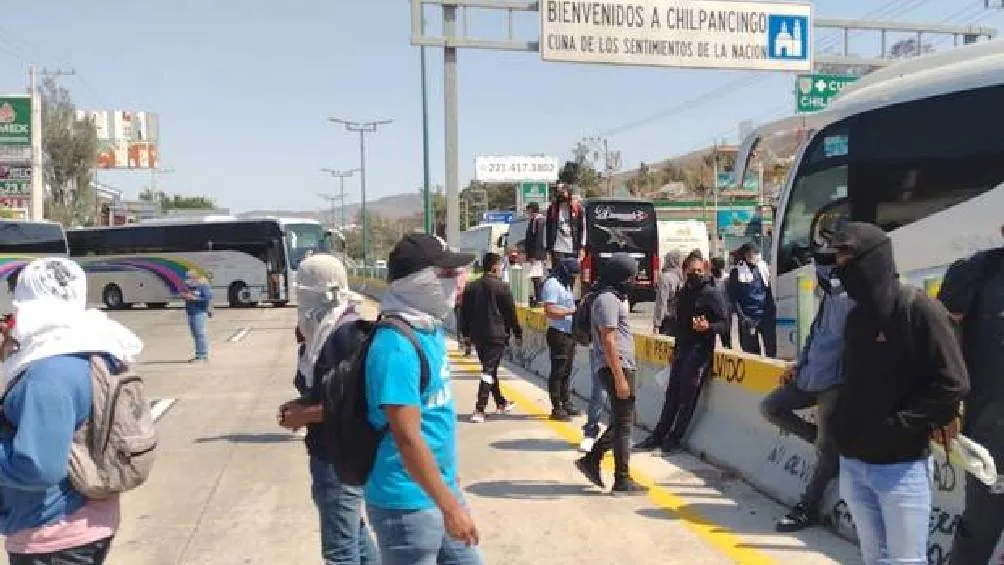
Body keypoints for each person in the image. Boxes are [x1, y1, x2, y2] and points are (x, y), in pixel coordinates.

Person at [830, 222, 969, 565]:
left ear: (873, 259)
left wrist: (900, 425)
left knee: (906, 561)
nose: (841, 269)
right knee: (874, 557)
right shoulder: (856, 317)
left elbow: (953, 384)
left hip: (901, 469)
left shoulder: (920, 310)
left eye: (847, 259)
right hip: (854, 464)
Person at [0, 257, 143, 565]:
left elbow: (38, 467)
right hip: (90, 517)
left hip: (52, 532)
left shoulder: (47, 373)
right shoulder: (92, 346)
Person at [363, 233, 483, 564]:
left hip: (439, 490)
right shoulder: (396, 346)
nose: (459, 280)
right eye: (448, 274)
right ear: (419, 283)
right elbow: (407, 437)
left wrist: (449, 486)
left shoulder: (428, 330)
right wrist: (450, 507)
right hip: (406, 504)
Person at [276, 254, 379, 564]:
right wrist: (300, 404)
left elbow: (356, 401)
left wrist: (304, 414)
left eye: (302, 292)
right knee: (355, 536)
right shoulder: (322, 332)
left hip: (340, 456)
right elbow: (326, 389)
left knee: (339, 550)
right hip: (327, 451)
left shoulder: (346, 334)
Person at [760, 251, 853, 532]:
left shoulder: (853, 299)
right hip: (809, 376)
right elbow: (814, 335)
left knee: (827, 453)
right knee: (770, 407)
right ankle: (821, 443)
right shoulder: (829, 297)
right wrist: (798, 364)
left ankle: (808, 506)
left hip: (834, 383)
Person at [938, 225, 1004, 565]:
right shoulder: (976, 273)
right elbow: (942, 346)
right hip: (990, 434)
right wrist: (945, 407)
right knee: (980, 524)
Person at [635, 255, 728, 453]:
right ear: (684, 271)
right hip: (682, 349)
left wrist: (708, 327)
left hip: (699, 352)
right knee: (672, 395)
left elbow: (724, 323)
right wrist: (675, 349)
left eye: (699, 271)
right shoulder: (684, 292)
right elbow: (680, 325)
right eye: (692, 271)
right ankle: (658, 436)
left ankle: (674, 439)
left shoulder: (711, 293)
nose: (696, 274)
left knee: (687, 398)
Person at [574, 253, 644, 495]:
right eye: (630, 277)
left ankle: (592, 459)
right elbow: (609, 339)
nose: (633, 281)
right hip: (616, 366)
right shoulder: (607, 300)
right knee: (624, 425)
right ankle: (621, 480)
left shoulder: (611, 297)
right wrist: (620, 378)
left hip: (619, 365)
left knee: (623, 420)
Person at [459, 253, 521, 424]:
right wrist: (517, 333)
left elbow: (464, 313)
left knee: (489, 369)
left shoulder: (471, 287)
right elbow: (511, 313)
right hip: (496, 335)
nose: (501, 269)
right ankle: (479, 409)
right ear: (494, 267)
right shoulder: (502, 287)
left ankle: (501, 402)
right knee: (488, 371)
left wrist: (465, 334)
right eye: (500, 266)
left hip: (478, 335)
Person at [540, 258, 580, 421]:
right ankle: (556, 407)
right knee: (558, 371)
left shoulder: (565, 284)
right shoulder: (552, 284)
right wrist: (571, 312)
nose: (574, 277)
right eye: (572, 274)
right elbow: (549, 310)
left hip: (569, 333)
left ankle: (566, 402)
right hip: (558, 333)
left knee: (567, 371)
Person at [727, 243, 777, 358]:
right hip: (748, 317)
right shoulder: (737, 272)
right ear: (745, 255)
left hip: (764, 316)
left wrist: (771, 312)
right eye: (752, 254)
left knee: (771, 350)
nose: (755, 256)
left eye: (756, 253)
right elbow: (734, 298)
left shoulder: (762, 268)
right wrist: (743, 317)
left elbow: (768, 291)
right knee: (752, 353)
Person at [545, 183, 587, 268]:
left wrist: (582, 247)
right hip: (557, 248)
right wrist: (548, 249)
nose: (560, 194)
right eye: (558, 192)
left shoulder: (577, 208)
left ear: (568, 192)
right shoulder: (552, 208)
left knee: (572, 272)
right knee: (558, 273)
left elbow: (583, 228)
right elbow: (547, 229)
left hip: (573, 248)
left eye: (562, 192)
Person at [181, 271, 212, 362]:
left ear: (195, 277)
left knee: (200, 333)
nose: (187, 280)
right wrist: (184, 295)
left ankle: (202, 355)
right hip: (191, 312)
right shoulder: (189, 287)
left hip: (200, 312)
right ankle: (199, 354)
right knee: (195, 334)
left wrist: (195, 298)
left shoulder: (203, 285)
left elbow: (207, 298)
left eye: (189, 278)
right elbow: (184, 294)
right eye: (186, 278)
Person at [652, 250, 684, 337]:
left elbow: (661, 301)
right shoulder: (682, 276)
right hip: (681, 318)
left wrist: (657, 323)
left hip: (668, 320)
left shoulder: (665, 277)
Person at [523, 202, 548, 306]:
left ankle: (540, 298)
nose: (526, 213)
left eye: (528, 210)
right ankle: (537, 297)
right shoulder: (533, 221)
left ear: (532, 210)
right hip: (533, 254)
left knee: (537, 276)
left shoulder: (539, 221)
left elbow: (538, 239)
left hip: (537, 255)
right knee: (534, 277)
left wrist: (534, 255)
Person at [709, 257, 732, 348]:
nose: (711, 268)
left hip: (725, 312)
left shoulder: (728, 279)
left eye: (712, 266)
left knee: (725, 338)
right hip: (712, 311)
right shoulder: (709, 279)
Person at [454, 267, 471, 357]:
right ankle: (465, 345)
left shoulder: (457, 276)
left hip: (460, 304)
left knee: (461, 325)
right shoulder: (467, 275)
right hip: (465, 303)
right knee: (465, 326)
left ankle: (463, 344)